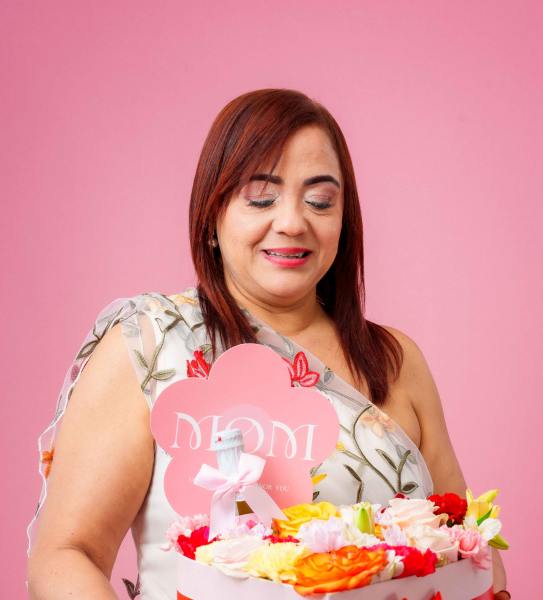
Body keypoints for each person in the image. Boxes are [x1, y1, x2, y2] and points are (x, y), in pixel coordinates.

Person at [26, 88, 509, 599]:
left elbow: (474, 550)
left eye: (320, 201)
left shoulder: (394, 361)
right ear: (212, 215)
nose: (293, 222)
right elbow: (65, 556)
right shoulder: (151, 343)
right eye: (261, 197)